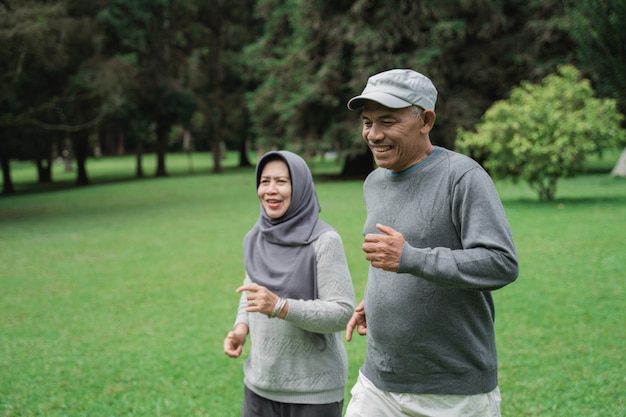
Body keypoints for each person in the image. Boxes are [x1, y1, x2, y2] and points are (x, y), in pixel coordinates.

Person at [343, 69, 519, 417]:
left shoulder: (463, 177)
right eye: (367, 122)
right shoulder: (375, 182)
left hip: (452, 392)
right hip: (379, 383)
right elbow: (390, 257)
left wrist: (412, 259)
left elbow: (501, 263)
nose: (373, 134)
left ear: (425, 120)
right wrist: (376, 298)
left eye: (387, 121)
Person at [223, 150, 356, 417]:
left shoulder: (325, 240)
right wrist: (241, 328)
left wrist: (281, 307)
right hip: (259, 386)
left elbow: (343, 313)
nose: (270, 190)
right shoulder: (256, 237)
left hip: (313, 393)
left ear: (301, 186)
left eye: (282, 181)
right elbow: (251, 289)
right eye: (265, 181)